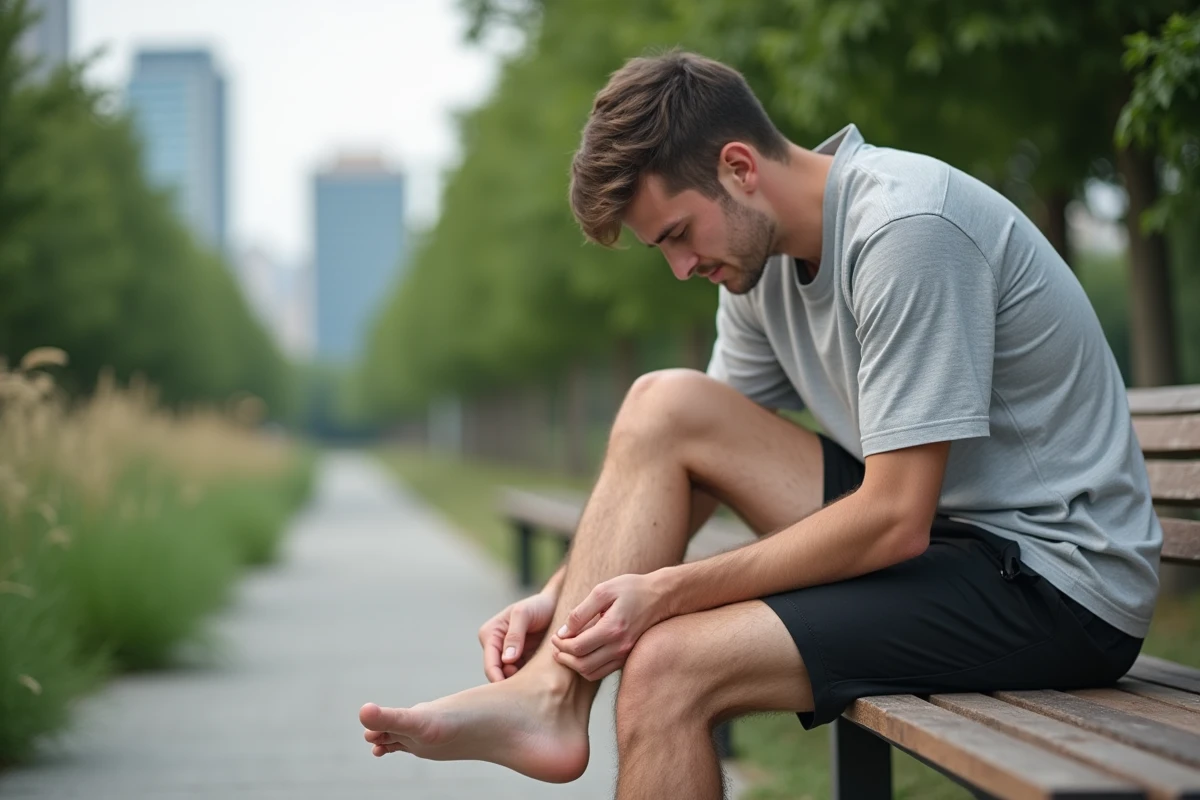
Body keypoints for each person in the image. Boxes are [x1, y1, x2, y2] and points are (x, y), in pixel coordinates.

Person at [358, 50, 1162, 799]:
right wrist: (559, 597)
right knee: (662, 403)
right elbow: (682, 458)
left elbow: (892, 522)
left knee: (670, 666)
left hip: (1053, 582)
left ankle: (556, 698)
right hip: (947, 538)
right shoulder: (755, 270)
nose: (679, 267)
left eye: (677, 234)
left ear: (738, 168)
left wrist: (664, 597)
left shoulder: (905, 233)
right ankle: (550, 696)